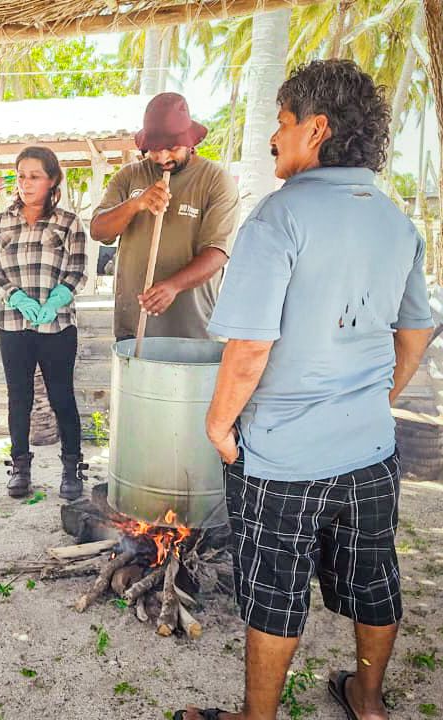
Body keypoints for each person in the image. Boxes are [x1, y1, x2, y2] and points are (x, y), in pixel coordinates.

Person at [178, 60, 434, 720]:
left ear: (317, 128)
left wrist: (217, 427)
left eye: (282, 122)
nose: (273, 136)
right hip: (370, 453)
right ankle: (368, 702)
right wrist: (377, 400)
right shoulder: (395, 220)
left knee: (275, 590)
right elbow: (415, 333)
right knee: (373, 577)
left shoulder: (277, 219)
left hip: (282, 461)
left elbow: (250, 348)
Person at [90, 92, 240, 341]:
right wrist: (136, 204)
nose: (162, 158)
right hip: (134, 328)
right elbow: (98, 230)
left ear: (191, 142)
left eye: (172, 148)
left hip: (192, 331)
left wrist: (173, 286)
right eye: (154, 150)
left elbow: (217, 252)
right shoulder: (129, 176)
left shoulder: (216, 180)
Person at [0, 146, 88, 500]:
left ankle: (72, 467)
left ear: (52, 180)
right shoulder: (1, 221)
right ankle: (20, 466)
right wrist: (15, 297)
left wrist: (58, 298)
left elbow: (78, 271)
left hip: (57, 326)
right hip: (13, 324)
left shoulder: (69, 223)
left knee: (62, 396)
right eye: (21, 176)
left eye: (35, 176)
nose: (25, 184)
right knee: (19, 398)